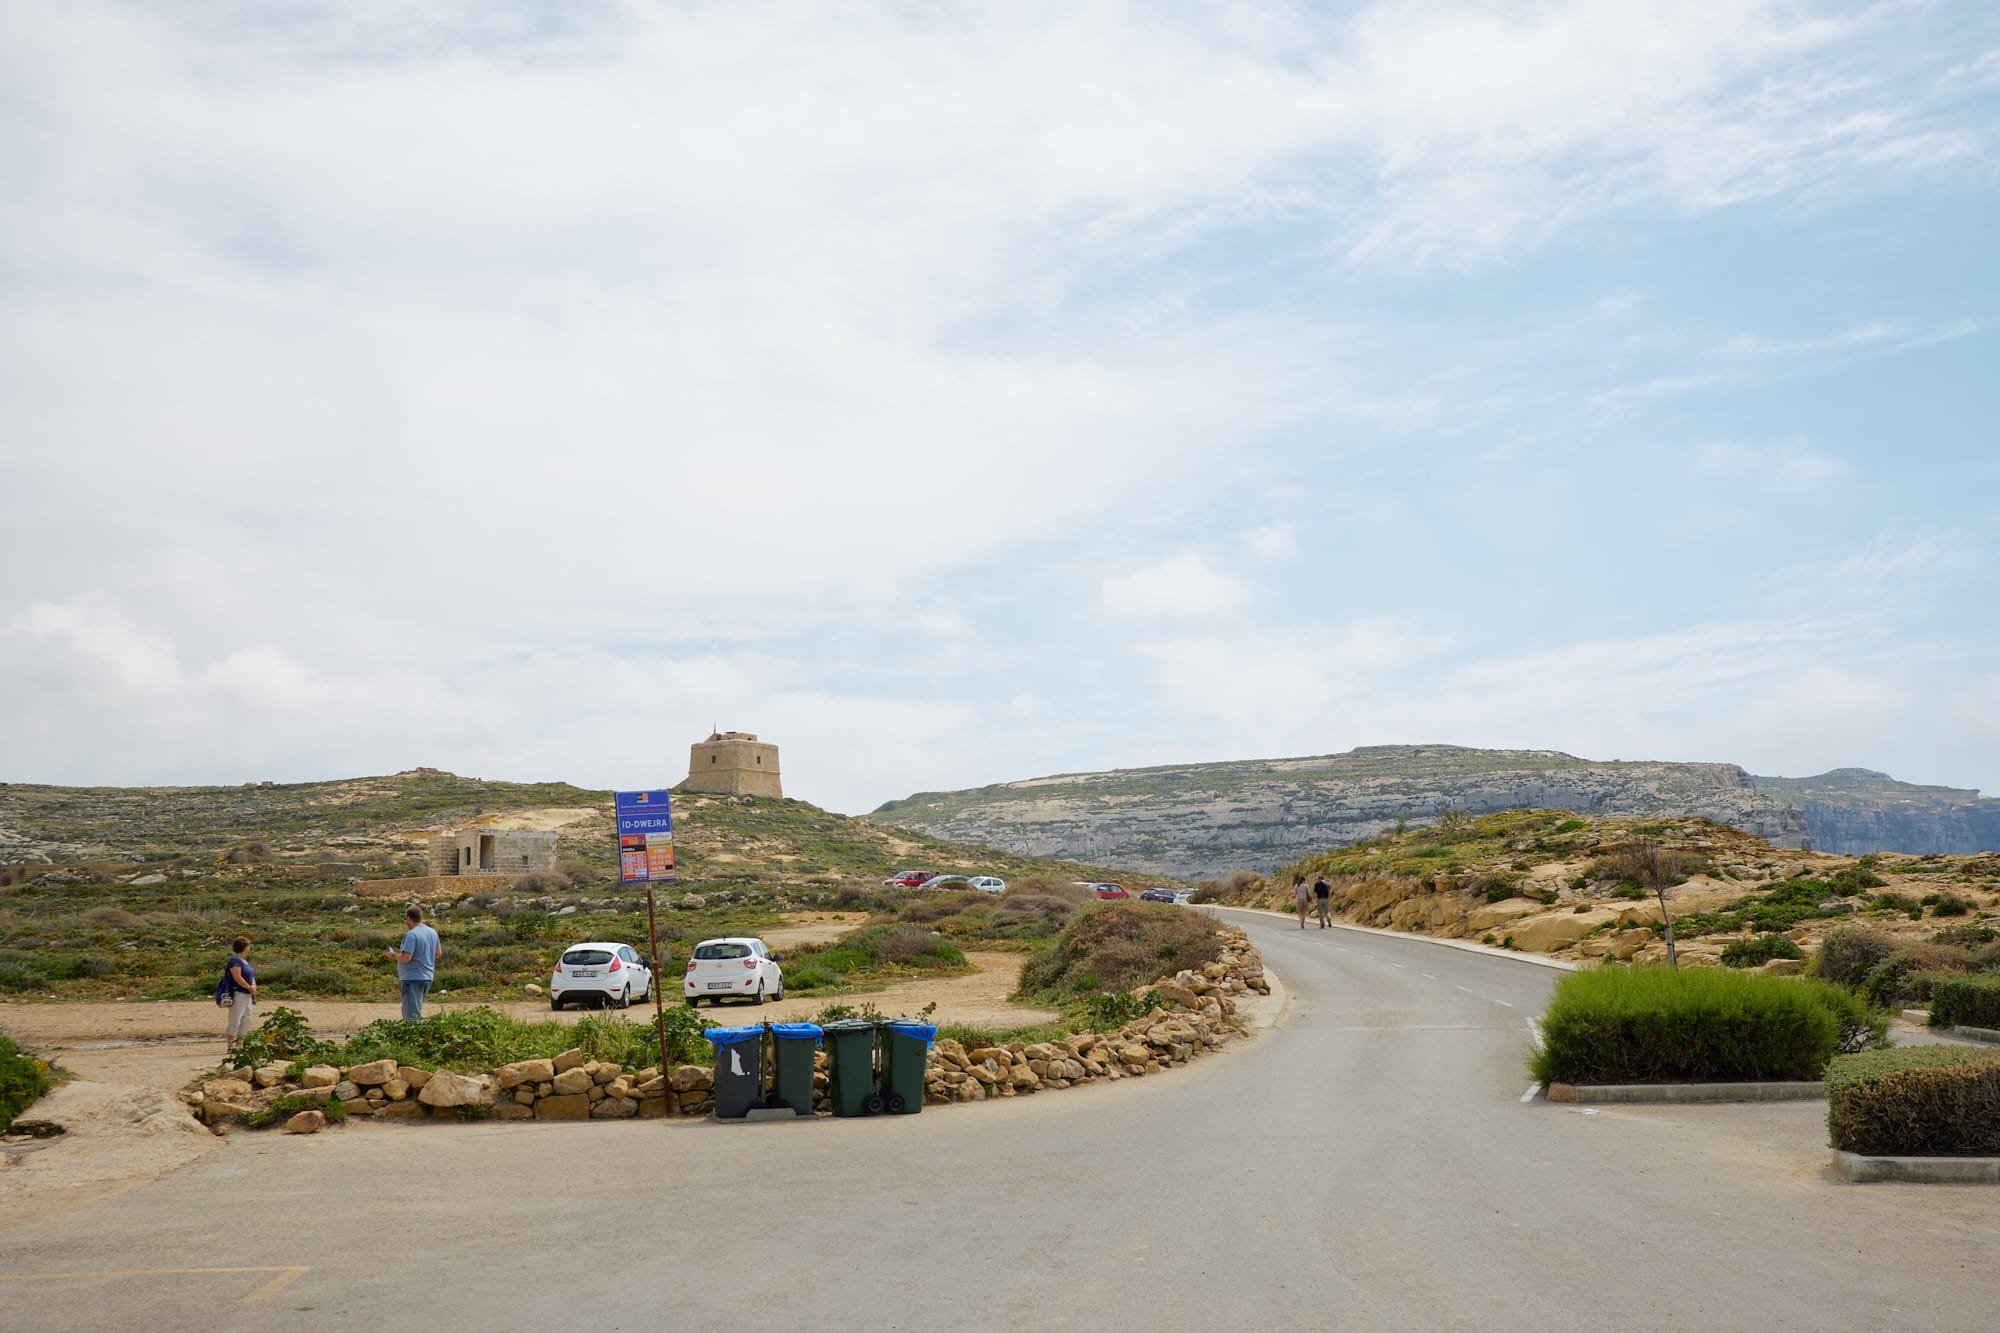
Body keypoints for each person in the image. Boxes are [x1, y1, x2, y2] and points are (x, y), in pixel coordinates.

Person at [385, 904, 442, 1022]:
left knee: (411, 1015)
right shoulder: (432, 932)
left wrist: (394, 955)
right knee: (416, 1009)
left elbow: (406, 957)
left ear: (409, 918)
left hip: (412, 978)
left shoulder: (412, 935)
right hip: (427, 977)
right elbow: (438, 953)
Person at [222, 935, 257, 1053]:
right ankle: (230, 1045)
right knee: (235, 1019)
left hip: (247, 995)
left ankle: (240, 1043)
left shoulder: (245, 961)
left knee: (246, 1019)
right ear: (244, 947)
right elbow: (237, 977)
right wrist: (248, 986)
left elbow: (250, 976)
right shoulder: (235, 960)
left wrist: (253, 986)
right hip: (238, 993)